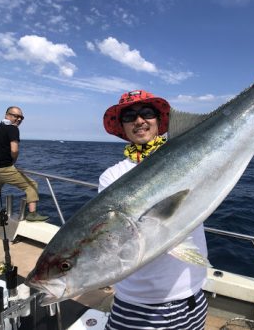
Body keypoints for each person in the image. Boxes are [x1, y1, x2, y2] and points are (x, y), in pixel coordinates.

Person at [100, 90, 208, 330]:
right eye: (129, 116)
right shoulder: (112, 177)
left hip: (192, 295)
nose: (139, 121)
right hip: (136, 302)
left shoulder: (192, 158)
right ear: (122, 127)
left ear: (159, 120)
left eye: (147, 113)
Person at [0, 106, 48, 240]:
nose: (18, 119)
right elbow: (15, 150)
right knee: (31, 185)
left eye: (21, 117)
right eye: (15, 116)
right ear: (7, 115)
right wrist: (12, 160)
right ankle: (32, 214)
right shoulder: (13, 129)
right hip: (4, 169)